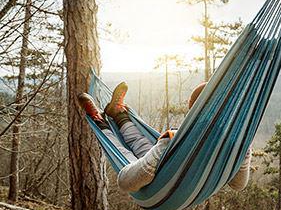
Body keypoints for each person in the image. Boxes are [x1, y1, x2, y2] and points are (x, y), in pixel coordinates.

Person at [78, 82, 252, 192]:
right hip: (176, 176)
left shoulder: (176, 140)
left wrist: (168, 143)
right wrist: (245, 149)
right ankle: (117, 114)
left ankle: (99, 121)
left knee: (124, 154)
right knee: (141, 142)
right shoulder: (236, 145)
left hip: (158, 186)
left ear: (192, 110)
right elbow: (238, 185)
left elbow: (126, 182)